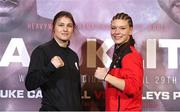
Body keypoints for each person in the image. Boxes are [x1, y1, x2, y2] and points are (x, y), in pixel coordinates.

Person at [25, 11, 82, 111]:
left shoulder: (73, 56)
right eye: (61, 25)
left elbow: (75, 94)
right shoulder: (42, 51)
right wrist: (50, 67)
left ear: (73, 29)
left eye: (69, 26)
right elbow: (29, 84)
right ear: (53, 27)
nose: (65, 29)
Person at [94, 12, 143, 111]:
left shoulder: (130, 55)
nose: (117, 32)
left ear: (130, 30)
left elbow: (133, 87)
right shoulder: (119, 52)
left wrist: (106, 76)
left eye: (122, 28)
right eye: (113, 28)